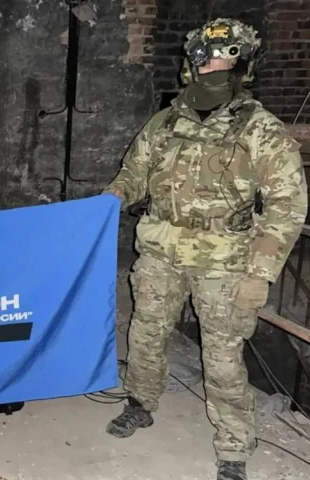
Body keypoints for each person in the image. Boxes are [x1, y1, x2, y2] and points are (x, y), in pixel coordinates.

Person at [102, 18, 307, 480]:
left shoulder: (260, 130)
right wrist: (112, 198)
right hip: (160, 247)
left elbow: (286, 206)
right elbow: (134, 171)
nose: (213, 65)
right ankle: (141, 402)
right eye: (205, 58)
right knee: (146, 334)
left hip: (225, 258)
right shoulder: (165, 121)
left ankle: (234, 444)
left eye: (225, 58)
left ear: (242, 66)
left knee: (222, 354)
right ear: (190, 65)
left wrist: (260, 274)